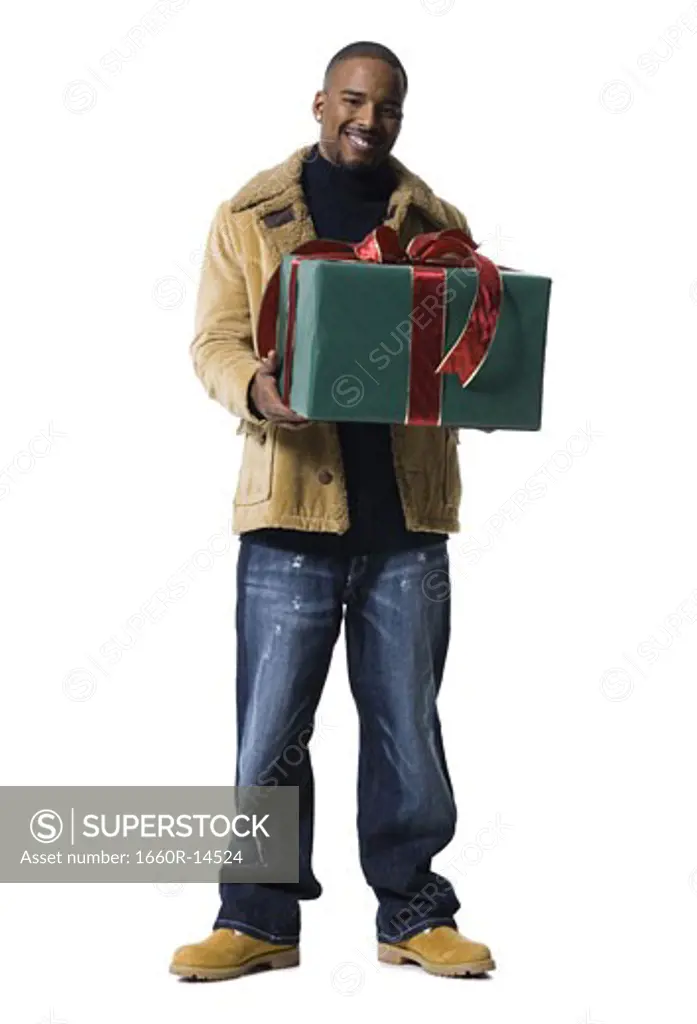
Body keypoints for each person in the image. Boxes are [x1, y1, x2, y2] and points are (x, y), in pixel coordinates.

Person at [170, 40, 495, 982]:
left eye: (387, 107)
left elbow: (465, 350)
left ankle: (414, 913)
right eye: (353, 101)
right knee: (271, 731)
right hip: (288, 516)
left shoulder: (438, 221)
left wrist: (484, 386)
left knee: (407, 724)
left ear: (400, 115)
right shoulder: (248, 216)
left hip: (407, 520)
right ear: (319, 103)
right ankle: (258, 920)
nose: (368, 119)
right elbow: (213, 341)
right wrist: (255, 388)